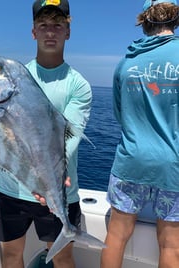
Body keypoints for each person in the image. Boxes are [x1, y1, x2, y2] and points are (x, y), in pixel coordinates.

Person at [0, 1, 92, 267]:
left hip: (57, 189)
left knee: (63, 258)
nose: (50, 32)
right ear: (33, 32)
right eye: (43, 25)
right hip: (7, 188)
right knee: (10, 256)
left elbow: (70, 139)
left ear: (68, 31)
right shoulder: (15, 74)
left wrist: (46, 182)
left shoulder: (79, 85)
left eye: (58, 25)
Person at [100, 1, 179, 267]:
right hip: (174, 165)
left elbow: (120, 114)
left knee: (116, 237)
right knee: (171, 245)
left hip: (131, 160)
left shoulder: (126, 61)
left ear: (144, 20)